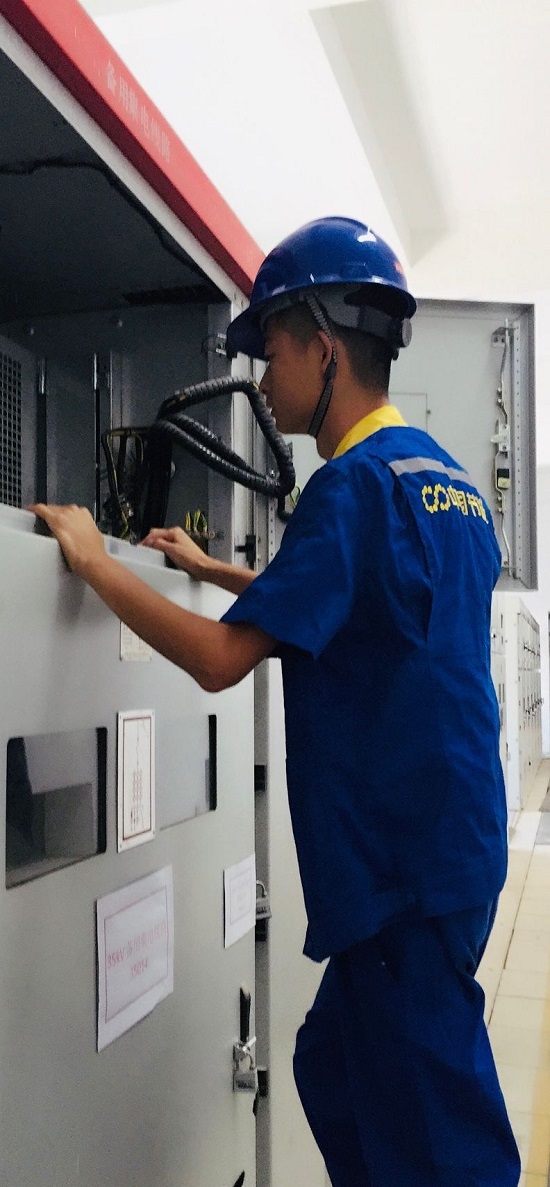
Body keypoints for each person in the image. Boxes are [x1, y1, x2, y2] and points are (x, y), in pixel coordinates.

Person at [31, 216, 520, 1187]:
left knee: (442, 1147)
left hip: (400, 876)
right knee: (330, 1065)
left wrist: (94, 562)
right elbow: (355, 603)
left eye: (273, 350)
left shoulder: (349, 487)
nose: (260, 378)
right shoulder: (443, 483)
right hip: (452, 851)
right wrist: (213, 567)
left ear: (324, 348)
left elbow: (222, 661)